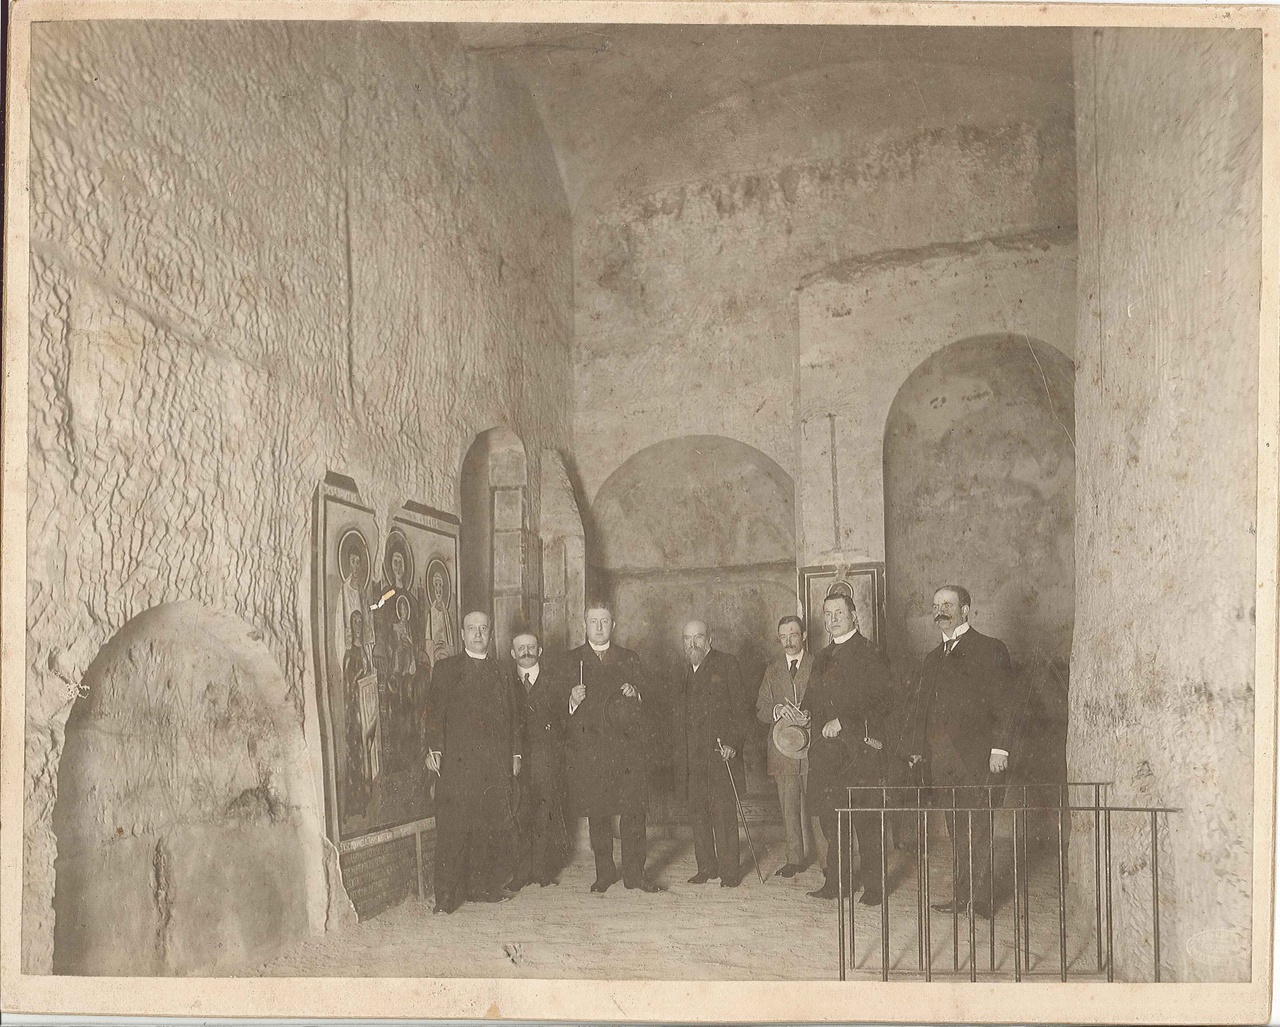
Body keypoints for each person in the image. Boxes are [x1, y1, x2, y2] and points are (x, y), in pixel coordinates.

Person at [906, 585, 1017, 918]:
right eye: (936, 605)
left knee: (978, 828)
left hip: (977, 757)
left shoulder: (990, 648)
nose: (941, 611)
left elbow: (1006, 703)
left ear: (965, 609)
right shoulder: (932, 658)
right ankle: (961, 896)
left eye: (948, 604)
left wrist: (1000, 749)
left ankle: (980, 902)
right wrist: (918, 750)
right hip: (942, 759)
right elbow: (922, 710)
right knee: (956, 830)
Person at [424, 611, 523, 914]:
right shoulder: (446, 669)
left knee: (488, 827)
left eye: (483, 629)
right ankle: (445, 897)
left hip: (493, 765)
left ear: (490, 634)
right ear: (462, 634)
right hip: (456, 764)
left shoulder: (502, 671)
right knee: (452, 830)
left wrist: (516, 754)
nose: (478, 634)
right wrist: (434, 749)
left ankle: (482, 888)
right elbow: (433, 713)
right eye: (472, 629)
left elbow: (515, 716)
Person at [802, 593, 893, 904]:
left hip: (861, 750)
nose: (833, 619)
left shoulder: (871, 652)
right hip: (828, 753)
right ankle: (837, 883)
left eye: (839, 612)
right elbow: (812, 699)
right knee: (832, 820)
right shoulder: (821, 656)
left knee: (866, 821)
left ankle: (874, 888)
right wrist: (803, 714)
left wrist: (843, 721)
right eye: (828, 614)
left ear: (855, 616)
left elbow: (884, 700)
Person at [563, 601, 659, 893]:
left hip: (627, 751)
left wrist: (636, 692)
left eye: (604, 621)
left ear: (613, 625)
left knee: (633, 813)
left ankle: (635, 875)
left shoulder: (629, 658)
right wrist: (572, 701)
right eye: (593, 621)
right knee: (599, 815)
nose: (599, 627)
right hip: (591, 752)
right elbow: (555, 710)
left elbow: (651, 699)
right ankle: (604, 873)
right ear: (585, 625)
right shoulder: (572, 660)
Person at [676, 620, 752, 887]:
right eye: (687, 638)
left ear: (710, 639)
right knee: (698, 814)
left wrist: (732, 743)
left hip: (721, 754)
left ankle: (729, 872)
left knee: (723, 815)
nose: (693, 643)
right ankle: (706, 867)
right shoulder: (683, 671)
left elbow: (742, 710)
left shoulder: (727, 663)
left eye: (698, 637)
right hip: (693, 759)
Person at [756, 615, 818, 878]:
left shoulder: (818, 664)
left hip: (814, 748)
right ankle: (794, 859)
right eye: (783, 636)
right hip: (782, 749)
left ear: (804, 636)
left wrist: (813, 712)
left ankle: (826, 861)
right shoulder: (772, 670)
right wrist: (777, 709)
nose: (788, 641)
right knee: (789, 806)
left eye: (793, 635)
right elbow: (761, 709)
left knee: (817, 807)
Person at [509, 630, 569, 890]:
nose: (526, 651)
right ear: (512, 653)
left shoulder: (554, 680)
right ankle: (521, 873)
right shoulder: (506, 683)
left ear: (540, 651)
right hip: (517, 759)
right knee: (519, 813)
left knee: (545, 813)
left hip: (547, 758)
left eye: (531, 647)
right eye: (521, 648)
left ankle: (543, 871)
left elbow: (565, 720)